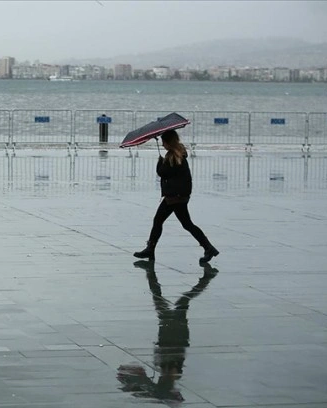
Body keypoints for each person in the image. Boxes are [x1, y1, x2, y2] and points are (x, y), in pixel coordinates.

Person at [117, 260, 219, 402]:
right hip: (175, 332)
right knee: (180, 301)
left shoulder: (170, 372)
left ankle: (204, 280)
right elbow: (171, 352)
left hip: (172, 333)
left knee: (176, 301)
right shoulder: (171, 371)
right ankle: (206, 279)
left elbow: (170, 352)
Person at [134, 129, 219, 264]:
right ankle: (208, 248)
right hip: (177, 195)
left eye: (163, 142)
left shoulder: (173, 156)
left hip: (175, 197)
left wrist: (159, 162)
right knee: (177, 223)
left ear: (168, 142)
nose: (162, 145)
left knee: (169, 222)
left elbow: (163, 173)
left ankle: (208, 248)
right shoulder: (178, 153)